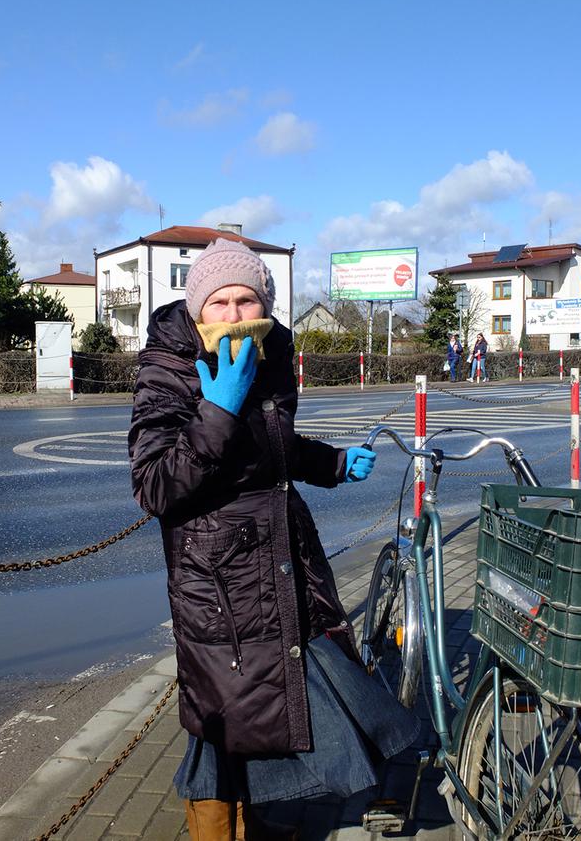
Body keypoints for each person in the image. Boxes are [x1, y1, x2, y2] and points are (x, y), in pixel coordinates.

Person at [128, 238, 420, 841]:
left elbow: (273, 454)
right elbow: (155, 486)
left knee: (275, 707)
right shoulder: (167, 370)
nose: (235, 315)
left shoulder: (270, 353)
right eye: (220, 302)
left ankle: (264, 822)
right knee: (224, 727)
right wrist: (218, 411)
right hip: (219, 587)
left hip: (286, 566)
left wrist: (333, 463)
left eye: (247, 300)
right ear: (197, 308)